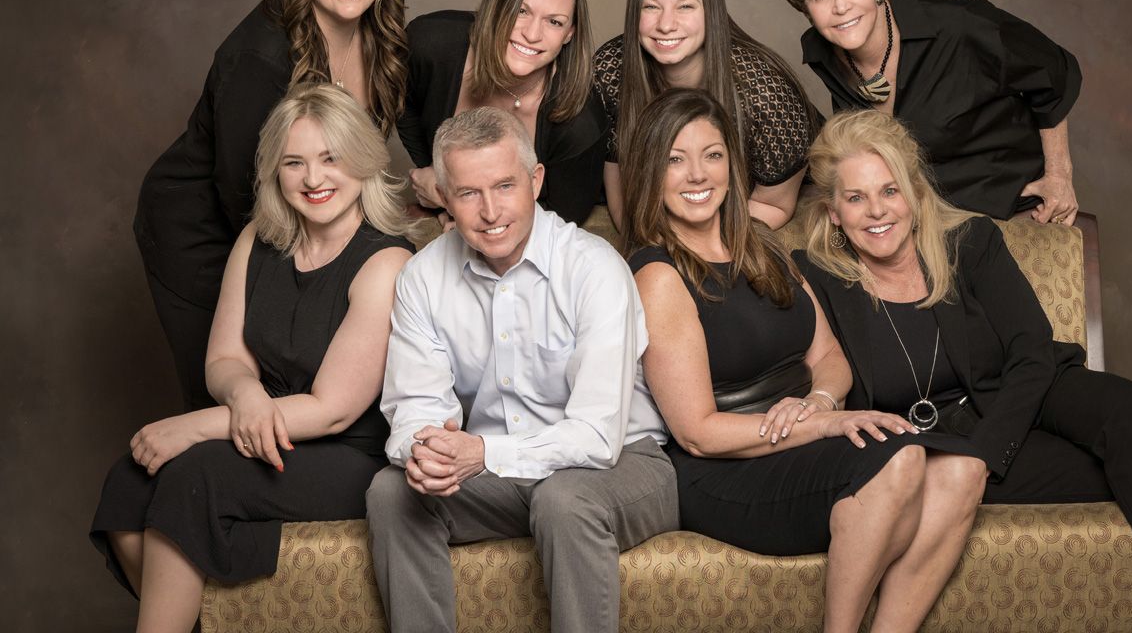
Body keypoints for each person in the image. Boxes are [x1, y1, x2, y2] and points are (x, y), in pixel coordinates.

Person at [795, 109, 1132, 629]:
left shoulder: (970, 243)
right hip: (930, 453)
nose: (877, 211)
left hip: (1019, 402)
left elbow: (1031, 352)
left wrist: (988, 452)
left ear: (914, 196)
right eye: (856, 198)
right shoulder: (818, 276)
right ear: (833, 213)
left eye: (890, 191)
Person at [623, 88, 987, 633]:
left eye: (713, 155)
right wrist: (822, 424)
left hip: (799, 431)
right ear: (652, 171)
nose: (697, 174)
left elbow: (829, 356)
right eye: (676, 159)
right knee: (901, 456)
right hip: (724, 470)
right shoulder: (657, 275)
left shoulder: (762, 245)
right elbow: (698, 434)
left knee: (964, 467)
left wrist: (817, 398)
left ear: (733, 167)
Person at [91, 84, 418, 633]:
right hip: (264, 427)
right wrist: (245, 394)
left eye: (331, 158)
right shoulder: (257, 240)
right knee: (129, 481)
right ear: (274, 171)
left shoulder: (386, 260)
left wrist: (197, 426)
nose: (314, 179)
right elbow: (223, 359)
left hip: (350, 452)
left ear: (363, 162)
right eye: (295, 162)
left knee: (196, 475)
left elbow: (332, 409)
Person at [366, 107, 678, 633]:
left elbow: (597, 438)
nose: (490, 211)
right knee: (392, 492)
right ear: (444, 196)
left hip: (621, 466)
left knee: (564, 499)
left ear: (535, 181)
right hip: (496, 473)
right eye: (468, 193)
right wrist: (426, 453)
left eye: (505, 185)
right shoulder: (422, 277)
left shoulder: (594, 268)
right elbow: (416, 406)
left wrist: (481, 452)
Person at [135, 0, 409, 410]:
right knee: (228, 398)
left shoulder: (377, 37)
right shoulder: (260, 61)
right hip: (203, 231)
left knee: (297, 389)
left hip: (291, 222)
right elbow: (250, 195)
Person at [779, 0, 1080, 224]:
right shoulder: (824, 55)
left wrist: (1059, 174)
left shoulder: (957, 25)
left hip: (1009, 203)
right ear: (806, 9)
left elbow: (1054, 72)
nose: (841, 6)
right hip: (917, 214)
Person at [594, 0, 822, 231]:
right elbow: (620, 181)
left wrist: (701, 251)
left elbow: (772, 204)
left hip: (762, 202)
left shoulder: (765, 91)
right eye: (650, 7)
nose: (666, 24)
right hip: (683, 199)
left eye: (685, 6)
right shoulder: (612, 67)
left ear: (711, 10)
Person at [397, 0, 606, 226]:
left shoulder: (581, 123)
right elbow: (399, 102)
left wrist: (449, 198)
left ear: (569, 34)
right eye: (521, 11)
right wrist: (435, 170)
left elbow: (559, 223)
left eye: (554, 22)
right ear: (498, 6)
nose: (532, 34)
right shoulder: (431, 45)